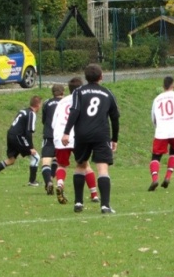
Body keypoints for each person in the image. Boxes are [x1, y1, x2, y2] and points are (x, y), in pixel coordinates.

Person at [61, 64, 120, 214]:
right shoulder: (107, 93)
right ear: (101, 76)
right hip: (101, 134)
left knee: (80, 165)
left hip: (82, 134)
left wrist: (66, 132)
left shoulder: (78, 91)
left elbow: (74, 111)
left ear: (86, 77)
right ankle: (105, 206)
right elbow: (115, 117)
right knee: (102, 168)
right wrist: (114, 139)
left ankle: (78, 203)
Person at [52, 77, 99, 205]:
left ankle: (60, 184)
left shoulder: (62, 102)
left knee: (61, 165)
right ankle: (94, 194)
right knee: (85, 164)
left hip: (61, 136)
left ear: (69, 89)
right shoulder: (84, 99)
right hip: (77, 136)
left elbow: (54, 122)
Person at [0, 95, 42, 187]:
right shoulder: (32, 114)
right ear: (38, 105)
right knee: (36, 157)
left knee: (11, 160)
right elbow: (28, 132)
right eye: (40, 104)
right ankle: (32, 181)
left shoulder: (23, 111)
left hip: (10, 134)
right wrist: (31, 147)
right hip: (18, 136)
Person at [40, 84, 65, 195]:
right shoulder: (66, 102)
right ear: (63, 92)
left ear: (52, 93)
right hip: (61, 136)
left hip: (49, 134)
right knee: (58, 160)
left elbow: (44, 120)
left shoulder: (47, 103)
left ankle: (48, 181)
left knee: (46, 161)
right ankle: (53, 179)